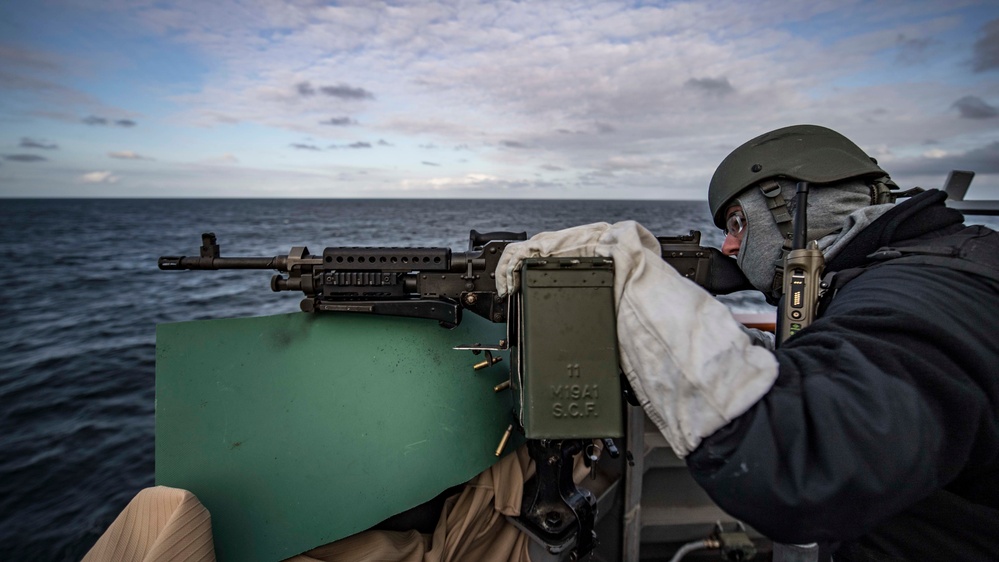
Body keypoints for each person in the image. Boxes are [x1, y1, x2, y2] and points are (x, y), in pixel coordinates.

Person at [496, 124, 999, 560]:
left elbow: (804, 469)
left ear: (803, 202)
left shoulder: (927, 289)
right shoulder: (930, 264)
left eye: (737, 222)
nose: (730, 246)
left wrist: (626, 277)